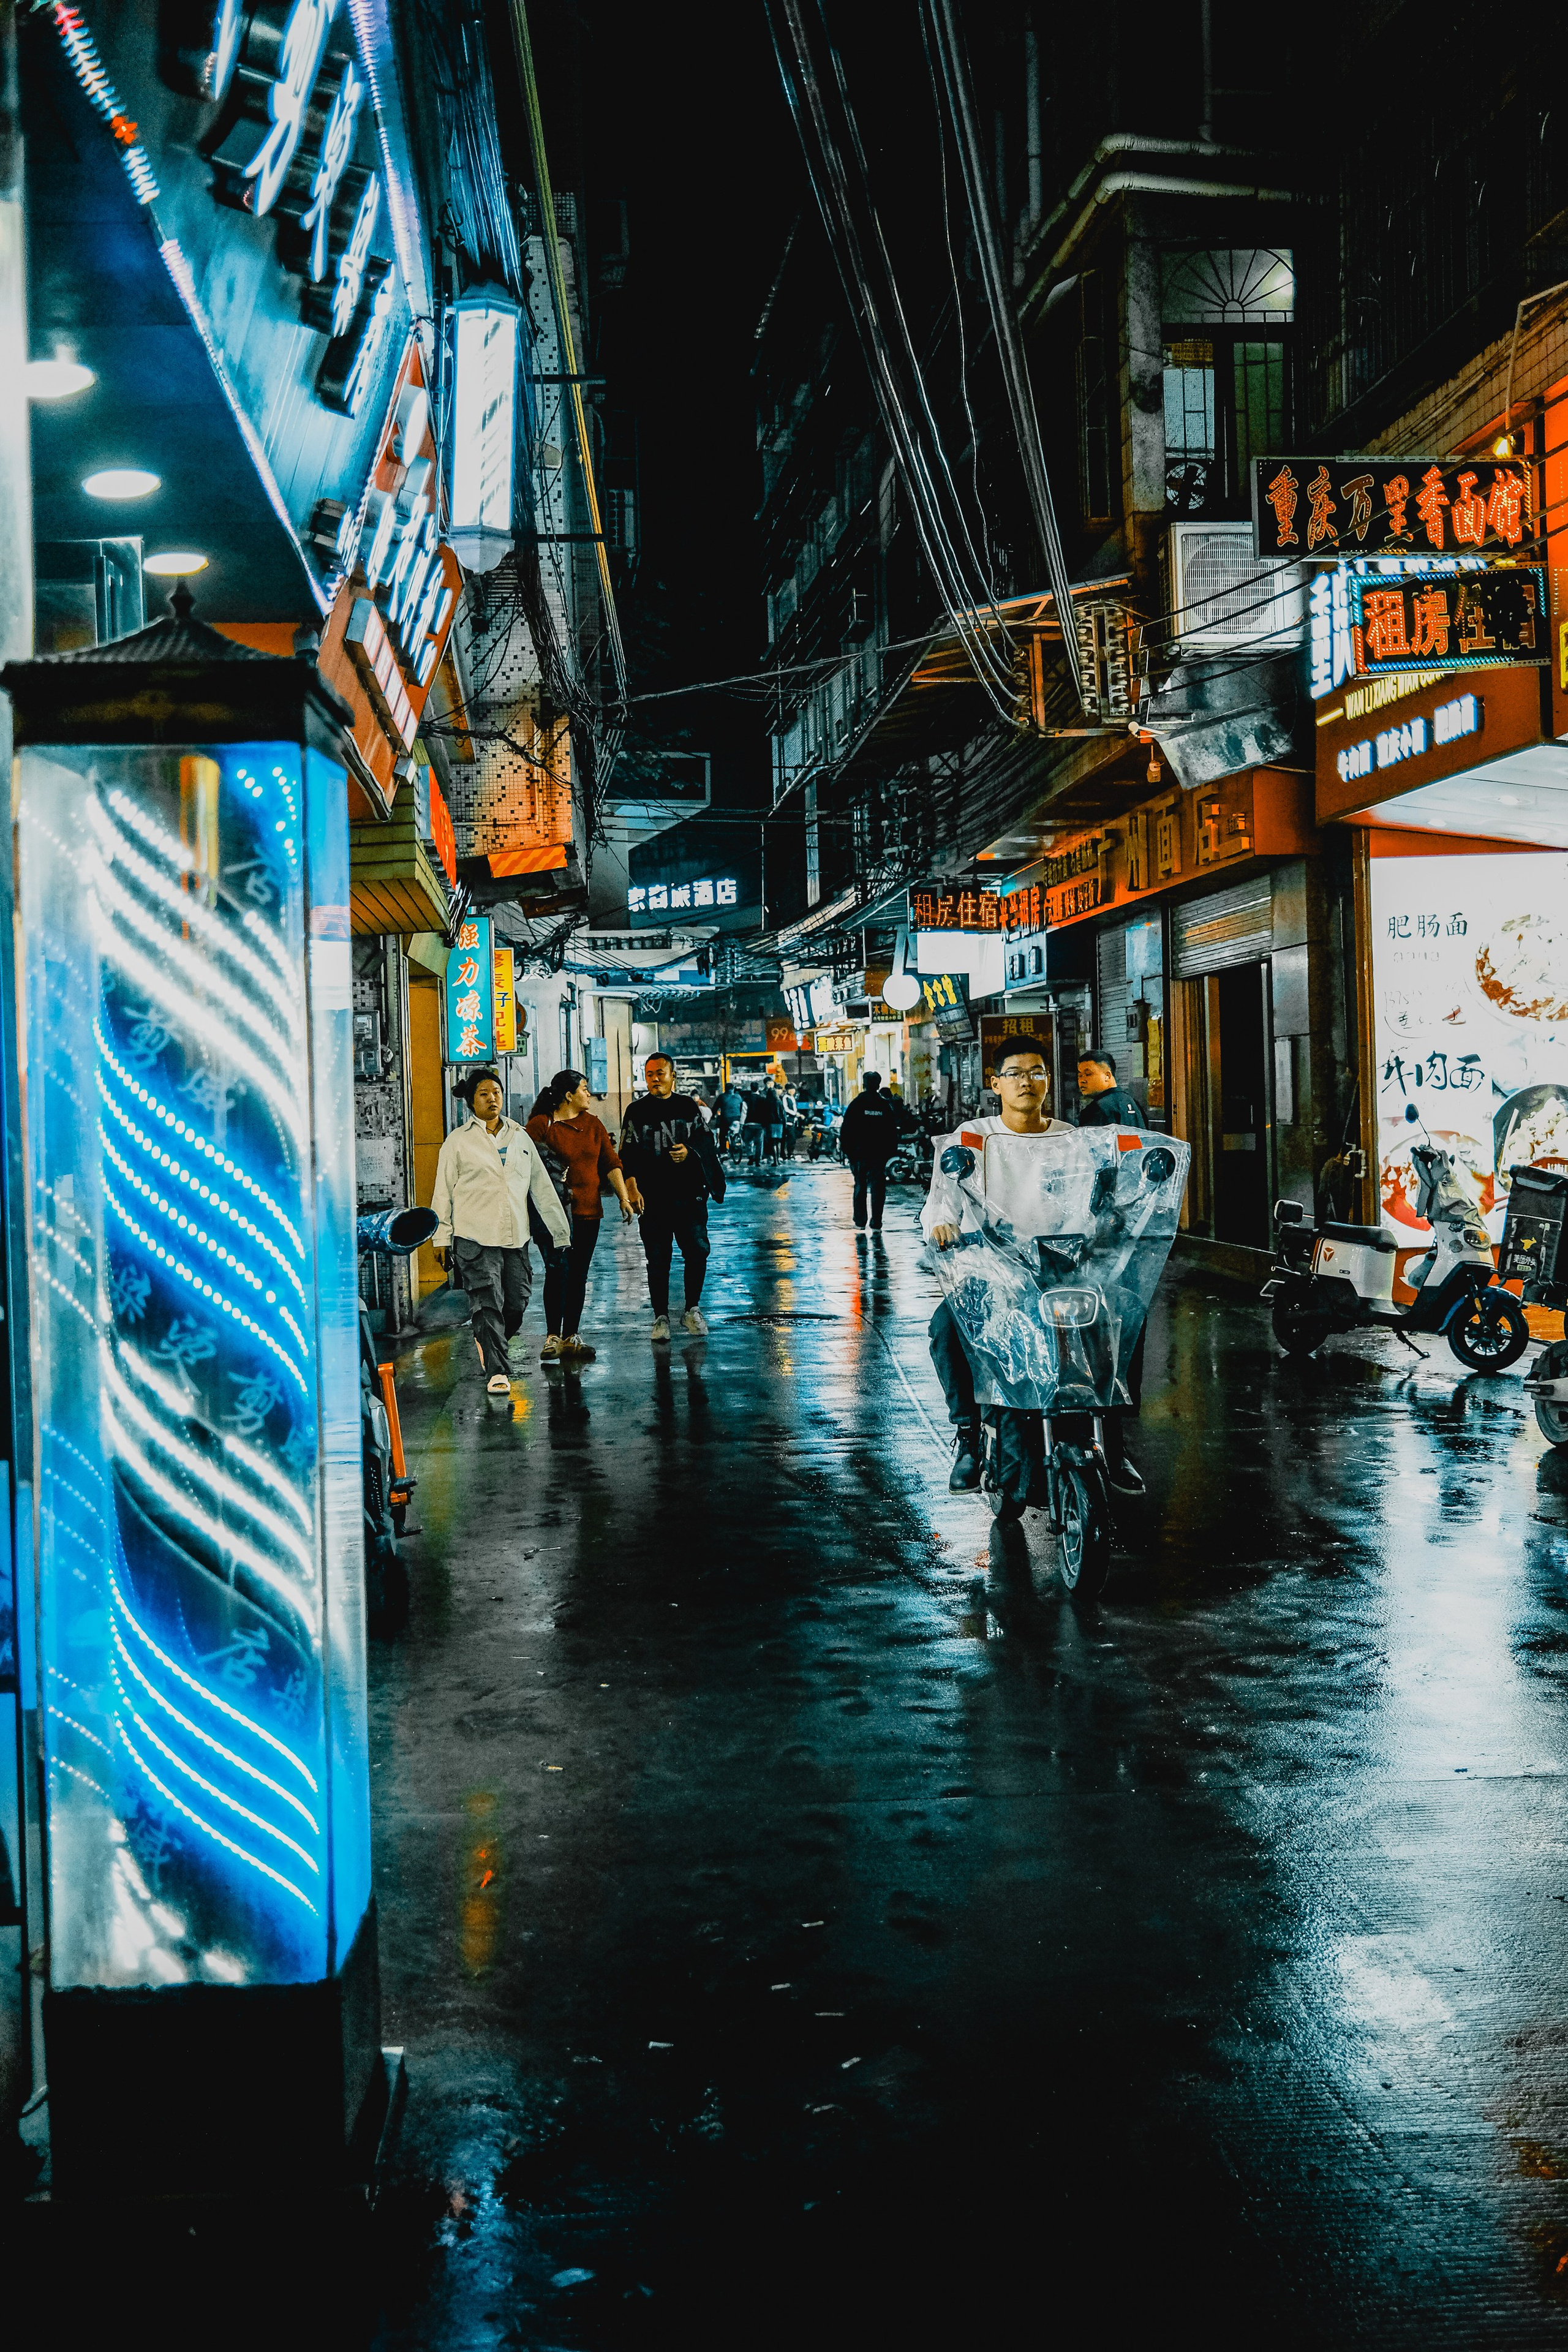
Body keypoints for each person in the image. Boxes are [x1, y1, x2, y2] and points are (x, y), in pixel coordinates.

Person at [924, 1037, 1072, 1487]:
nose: (1028, 1082)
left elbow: (1092, 1202)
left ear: (1049, 1078)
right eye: (1016, 1073)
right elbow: (940, 1202)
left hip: (1058, 1271)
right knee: (946, 1328)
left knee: (1124, 1317)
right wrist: (942, 1226)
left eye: (1037, 1072)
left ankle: (1115, 1437)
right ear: (996, 1084)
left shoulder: (1071, 1139)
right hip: (987, 1270)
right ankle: (968, 1434)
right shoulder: (971, 1138)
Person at [430, 1068, 571, 1394]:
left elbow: (541, 1187)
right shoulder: (458, 1142)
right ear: (471, 1102)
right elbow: (443, 1192)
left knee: (517, 1303)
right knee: (487, 1302)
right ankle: (497, 1371)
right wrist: (442, 1236)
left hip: (515, 1236)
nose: (492, 1098)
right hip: (474, 1238)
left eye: (496, 1091)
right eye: (484, 1093)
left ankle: (491, 1341)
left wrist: (559, 1232)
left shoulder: (520, 1137)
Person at [526, 1069, 638, 1362]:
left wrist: (624, 1198)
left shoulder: (593, 1125)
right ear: (569, 1095)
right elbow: (523, 1166)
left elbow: (611, 1163)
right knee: (557, 1270)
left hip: (588, 1213)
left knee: (578, 1274)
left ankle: (571, 1335)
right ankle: (552, 1337)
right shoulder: (541, 1125)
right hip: (554, 1214)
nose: (589, 1094)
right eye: (584, 1089)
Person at [619, 1052, 725, 1340]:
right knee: (657, 1257)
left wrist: (690, 1152)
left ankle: (692, 1309)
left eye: (660, 1074)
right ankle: (660, 1317)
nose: (655, 1079)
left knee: (697, 1251)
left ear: (672, 1076)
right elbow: (627, 1153)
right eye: (650, 1074)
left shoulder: (687, 1106)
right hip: (653, 1197)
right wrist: (632, 1188)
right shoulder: (636, 1111)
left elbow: (706, 1141)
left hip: (689, 1196)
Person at [837, 1068, 902, 1229]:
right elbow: (892, 1131)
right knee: (878, 1187)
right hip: (878, 1155)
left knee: (860, 1185)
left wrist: (849, 1152)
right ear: (878, 1085)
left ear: (864, 1084)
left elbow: (846, 1130)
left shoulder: (857, 1105)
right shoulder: (884, 1106)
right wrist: (889, 1152)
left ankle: (860, 1220)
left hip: (859, 1154)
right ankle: (877, 1221)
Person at [1076, 1049, 1144, 1127]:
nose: (1082, 1080)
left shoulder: (1098, 1108)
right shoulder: (1133, 1102)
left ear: (1107, 1076)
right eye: (1080, 1076)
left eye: (1088, 1074)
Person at [717, 1078, 745, 1153]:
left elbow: (715, 1107)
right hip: (737, 1118)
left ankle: (723, 1151)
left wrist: (713, 1115)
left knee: (722, 1135)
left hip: (725, 1118)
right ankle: (736, 1142)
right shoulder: (738, 1097)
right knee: (737, 1131)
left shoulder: (722, 1097)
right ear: (733, 1089)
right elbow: (742, 1107)